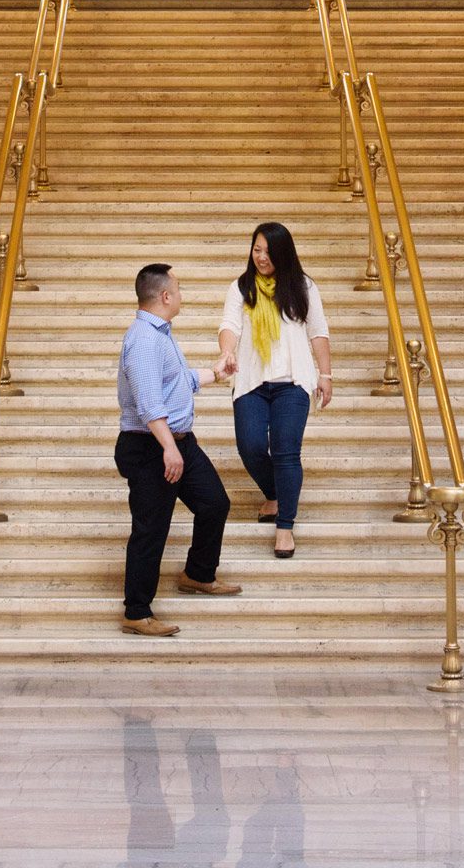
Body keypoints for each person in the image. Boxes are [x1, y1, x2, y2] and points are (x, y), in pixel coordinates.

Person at [114, 262, 242, 637]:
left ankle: (197, 574)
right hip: (151, 446)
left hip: (178, 442)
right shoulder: (143, 338)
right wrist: (169, 448)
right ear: (165, 295)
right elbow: (149, 403)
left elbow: (177, 381)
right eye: (179, 288)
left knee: (214, 503)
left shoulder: (160, 334)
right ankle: (137, 612)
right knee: (150, 530)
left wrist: (215, 374)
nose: (182, 294)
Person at [218, 222, 331, 558]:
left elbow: (318, 332)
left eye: (268, 251)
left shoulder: (303, 286)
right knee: (250, 445)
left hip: (292, 383)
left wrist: (325, 375)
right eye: (256, 249)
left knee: (285, 451)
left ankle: (285, 526)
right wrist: (227, 352)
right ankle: (275, 492)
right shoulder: (241, 287)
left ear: (283, 252)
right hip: (252, 381)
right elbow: (229, 326)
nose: (261, 257)